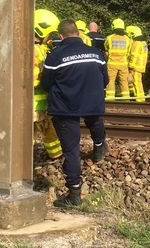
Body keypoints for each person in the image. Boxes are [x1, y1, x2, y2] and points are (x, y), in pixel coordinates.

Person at [41, 19, 109, 207]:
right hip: (92, 103)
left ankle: (75, 194)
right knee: (95, 122)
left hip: (65, 108)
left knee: (71, 151)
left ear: (61, 36)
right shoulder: (96, 54)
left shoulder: (55, 56)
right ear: (79, 34)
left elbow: (46, 84)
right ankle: (99, 146)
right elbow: (105, 79)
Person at [33, 9, 63, 160]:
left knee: (47, 130)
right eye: (50, 34)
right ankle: (21, 161)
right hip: (33, 104)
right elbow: (31, 80)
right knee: (29, 134)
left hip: (40, 104)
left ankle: (56, 155)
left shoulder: (40, 49)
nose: (51, 38)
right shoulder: (33, 51)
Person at [104, 18, 132, 100]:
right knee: (124, 82)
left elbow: (106, 49)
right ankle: (126, 99)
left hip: (112, 64)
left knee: (110, 82)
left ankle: (110, 99)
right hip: (123, 64)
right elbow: (129, 52)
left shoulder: (109, 38)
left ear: (113, 27)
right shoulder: (127, 39)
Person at [126, 25, 149, 103]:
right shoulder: (144, 43)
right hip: (141, 66)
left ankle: (140, 99)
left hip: (135, 67)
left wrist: (130, 66)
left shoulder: (136, 43)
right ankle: (138, 97)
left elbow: (134, 56)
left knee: (136, 83)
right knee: (137, 82)